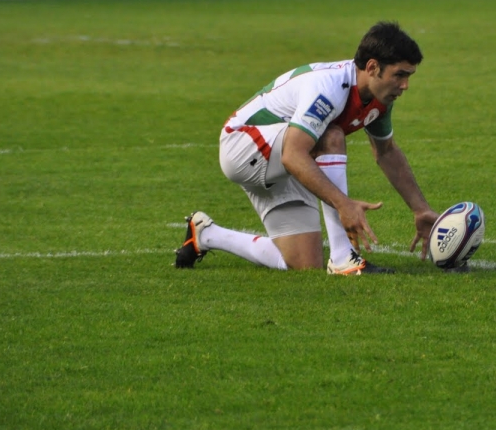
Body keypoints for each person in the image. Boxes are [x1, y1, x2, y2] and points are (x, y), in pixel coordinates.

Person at [174, 22, 439, 274]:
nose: (405, 85)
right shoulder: (329, 88)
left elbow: (387, 153)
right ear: (372, 67)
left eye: (409, 76)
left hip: (281, 157)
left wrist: (420, 209)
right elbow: (292, 154)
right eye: (400, 75)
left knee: (304, 261)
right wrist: (343, 204)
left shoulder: (380, 98)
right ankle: (343, 259)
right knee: (331, 134)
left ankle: (206, 234)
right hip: (243, 146)